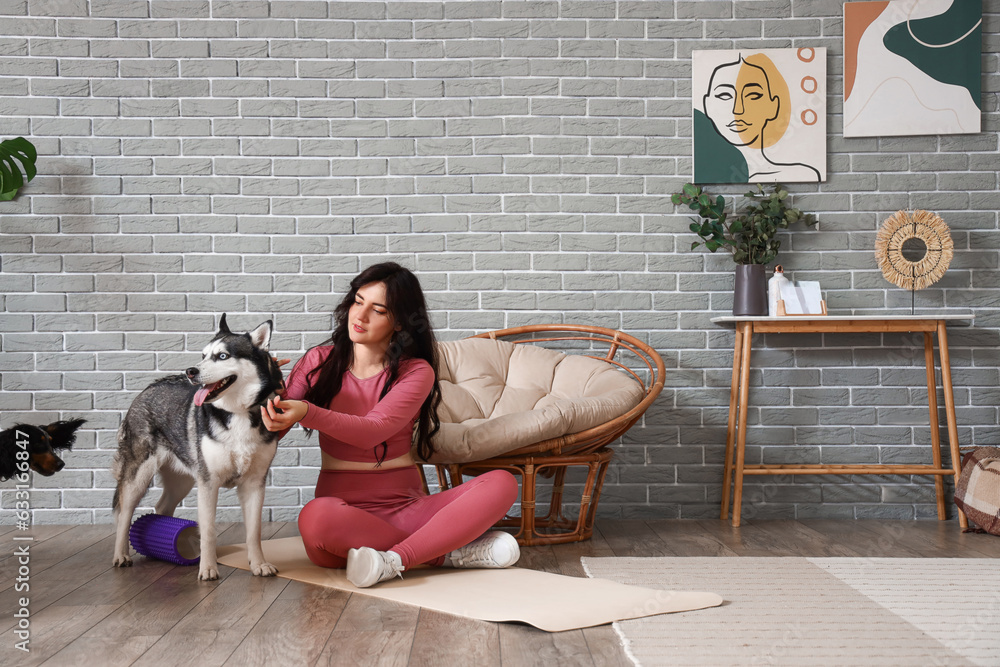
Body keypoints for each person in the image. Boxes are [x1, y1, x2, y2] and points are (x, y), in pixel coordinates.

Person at [261, 262, 520, 588]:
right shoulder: (317, 362)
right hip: (344, 520)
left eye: (377, 309)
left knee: (502, 483)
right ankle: (444, 554)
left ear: (398, 322)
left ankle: (396, 559)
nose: (360, 315)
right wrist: (264, 385)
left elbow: (374, 430)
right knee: (315, 517)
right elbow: (273, 428)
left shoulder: (416, 371)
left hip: (409, 509)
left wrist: (307, 411)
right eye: (358, 301)